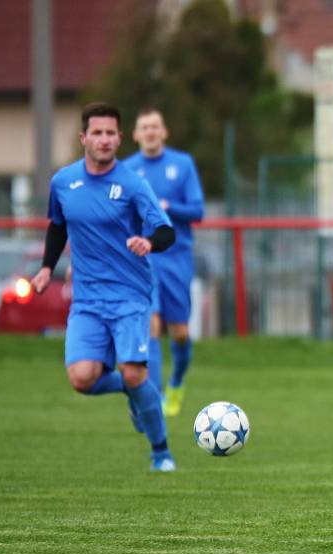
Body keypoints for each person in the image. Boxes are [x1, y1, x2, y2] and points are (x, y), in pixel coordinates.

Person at [31, 102, 177, 472]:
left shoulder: (131, 183)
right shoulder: (64, 182)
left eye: (111, 133)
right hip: (87, 300)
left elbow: (165, 230)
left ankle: (160, 452)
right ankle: (136, 391)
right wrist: (47, 268)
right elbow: (58, 226)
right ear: (84, 137)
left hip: (130, 295)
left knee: (133, 371)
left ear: (120, 138)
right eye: (97, 132)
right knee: (82, 378)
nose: (104, 139)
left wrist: (149, 243)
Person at [124, 108, 205, 417]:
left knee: (180, 331)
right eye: (144, 127)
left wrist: (168, 207)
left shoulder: (182, 165)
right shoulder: (128, 170)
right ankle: (154, 399)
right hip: (144, 258)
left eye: (155, 126)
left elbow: (198, 211)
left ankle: (177, 380)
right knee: (151, 325)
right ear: (135, 134)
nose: (150, 132)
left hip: (176, 255)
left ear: (164, 131)